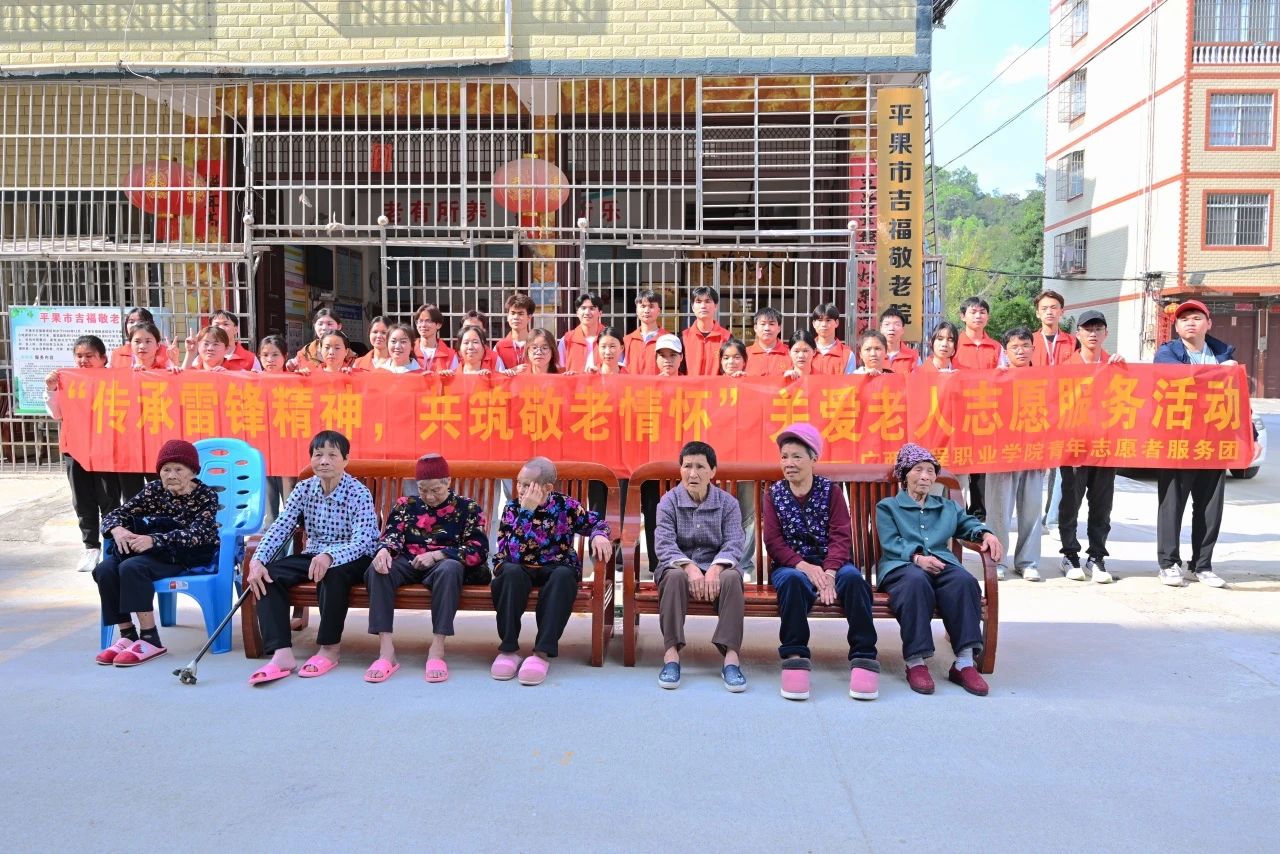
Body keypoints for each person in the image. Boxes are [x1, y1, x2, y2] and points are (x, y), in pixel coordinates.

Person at [245, 430, 379, 685]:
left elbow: (363, 541)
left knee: (332, 573)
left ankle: (329, 649)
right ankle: (281, 654)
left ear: (345, 460)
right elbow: (282, 526)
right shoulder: (304, 489)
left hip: (354, 556)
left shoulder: (358, 493)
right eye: (318, 455)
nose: (324, 461)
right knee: (268, 575)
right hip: (314, 554)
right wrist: (258, 559)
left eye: (332, 455)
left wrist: (330, 555)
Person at [764, 423, 880, 701]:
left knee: (854, 581)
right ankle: (795, 656)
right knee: (792, 583)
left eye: (796, 456)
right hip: (792, 566)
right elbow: (774, 542)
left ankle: (864, 656)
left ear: (813, 458)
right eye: (784, 457)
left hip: (833, 563)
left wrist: (829, 572)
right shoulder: (774, 494)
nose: (788, 463)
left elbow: (841, 535)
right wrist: (805, 567)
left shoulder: (831, 491)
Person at [876, 443, 1003, 697]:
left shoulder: (947, 507)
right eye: (918, 470)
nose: (925, 476)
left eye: (931, 471)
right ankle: (916, 662)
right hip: (902, 566)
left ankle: (964, 663)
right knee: (915, 582)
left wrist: (985, 534)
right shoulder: (888, 507)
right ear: (905, 475)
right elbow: (890, 542)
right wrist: (917, 558)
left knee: (964, 582)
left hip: (942, 564)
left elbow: (968, 524)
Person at [364, 454, 489, 684]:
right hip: (409, 560)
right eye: (422, 490)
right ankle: (386, 652)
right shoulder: (406, 505)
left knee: (450, 569)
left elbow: (479, 549)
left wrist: (437, 555)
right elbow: (391, 535)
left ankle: (437, 650)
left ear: (448, 482)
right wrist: (383, 550)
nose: (429, 496)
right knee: (378, 569)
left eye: (436, 490)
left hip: (443, 562)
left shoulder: (468, 507)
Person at [93, 440, 220, 666]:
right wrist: (117, 529)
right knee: (104, 569)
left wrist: (154, 540)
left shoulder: (205, 495)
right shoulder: (153, 490)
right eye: (166, 469)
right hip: (149, 553)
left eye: (178, 469)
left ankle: (150, 639)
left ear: (193, 472)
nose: (171, 475)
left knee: (132, 567)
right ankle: (127, 635)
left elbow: (198, 533)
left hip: (183, 555)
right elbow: (116, 514)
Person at [489, 456, 612, 686]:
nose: (521, 490)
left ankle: (541, 653)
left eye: (528, 485)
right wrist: (526, 512)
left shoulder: (566, 506)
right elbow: (511, 553)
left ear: (547, 488)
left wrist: (598, 535)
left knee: (564, 576)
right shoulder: (513, 508)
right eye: (519, 483)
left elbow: (597, 522)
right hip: (519, 566)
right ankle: (508, 650)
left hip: (556, 565)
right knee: (510, 574)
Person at [1153, 300, 1238, 589]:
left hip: (1213, 441)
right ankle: (1168, 563)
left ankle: (1201, 565)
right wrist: (1219, 373)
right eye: (1184, 318)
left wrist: (1249, 435)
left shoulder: (1222, 354)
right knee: (1172, 505)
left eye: (1197, 317)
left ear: (1208, 323)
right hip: (1178, 441)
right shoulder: (1167, 353)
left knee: (1210, 507)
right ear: (1177, 327)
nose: (1191, 322)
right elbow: (1177, 378)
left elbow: (1237, 400)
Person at [653, 441, 746, 692]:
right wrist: (689, 567)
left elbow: (735, 542)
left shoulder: (728, 503)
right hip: (678, 566)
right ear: (680, 469)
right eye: (687, 466)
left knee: (732, 579)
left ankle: (731, 658)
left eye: (700, 467)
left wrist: (715, 569)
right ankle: (671, 655)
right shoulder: (668, 502)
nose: (692, 473)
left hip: (717, 565)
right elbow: (664, 543)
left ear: (712, 471)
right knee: (674, 578)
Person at [1057, 310, 1123, 583]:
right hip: (1074, 446)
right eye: (1087, 329)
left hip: (1105, 447)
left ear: (1106, 333)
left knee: (1101, 505)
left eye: (1098, 329)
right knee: (1070, 503)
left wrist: (1123, 370)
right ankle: (1069, 554)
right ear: (1078, 334)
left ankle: (1097, 556)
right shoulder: (1066, 367)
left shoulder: (1115, 365)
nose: (1093, 334)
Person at [45, 335, 121, 572]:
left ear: (103, 358)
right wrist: (51, 390)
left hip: (105, 448)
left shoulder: (116, 380)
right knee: (82, 500)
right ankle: (90, 547)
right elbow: (56, 414)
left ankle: (110, 546)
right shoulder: (68, 381)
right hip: (75, 448)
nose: (83, 360)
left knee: (109, 498)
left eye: (89, 356)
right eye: (79, 356)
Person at [985, 328, 1044, 582]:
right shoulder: (995, 379)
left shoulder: (1045, 379)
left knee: (1031, 510)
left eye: (1025, 345)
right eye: (1014, 347)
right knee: (998, 510)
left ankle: (1028, 562)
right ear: (1005, 351)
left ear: (1033, 348)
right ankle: (997, 559)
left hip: (1033, 452)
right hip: (1002, 453)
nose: (1021, 351)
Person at [258, 334, 306, 631]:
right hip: (263, 459)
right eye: (265, 355)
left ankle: (287, 573)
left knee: (291, 518)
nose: (270, 359)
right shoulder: (251, 382)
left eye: (275, 354)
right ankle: (268, 571)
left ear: (285, 356)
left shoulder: (295, 381)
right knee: (269, 518)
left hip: (289, 458)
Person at [681, 286, 730, 376]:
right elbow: (679, 371)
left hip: (717, 385)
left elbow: (730, 370)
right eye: (698, 302)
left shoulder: (727, 337)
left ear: (715, 306)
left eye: (707, 301)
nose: (703, 306)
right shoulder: (683, 337)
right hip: (690, 385)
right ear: (692, 307)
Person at [622, 289, 668, 375]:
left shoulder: (668, 339)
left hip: (659, 384)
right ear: (637, 310)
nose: (646, 311)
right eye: (643, 306)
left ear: (659, 311)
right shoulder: (627, 340)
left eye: (651, 306)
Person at [952, 296, 1006, 370]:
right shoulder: (953, 345)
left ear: (988, 317)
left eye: (982, 312)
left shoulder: (997, 347)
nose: (978, 316)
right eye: (973, 312)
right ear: (963, 316)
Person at [560, 292, 606, 373]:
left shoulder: (610, 338)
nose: (587, 312)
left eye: (592, 308)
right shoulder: (567, 339)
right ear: (577, 313)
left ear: (600, 313)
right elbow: (560, 369)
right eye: (583, 308)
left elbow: (618, 368)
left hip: (604, 381)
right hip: (575, 381)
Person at [1031, 290, 1076, 367]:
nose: (1049, 312)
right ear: (1037, 313)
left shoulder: (1073, 342)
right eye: (1044, 308)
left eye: (1053, 307)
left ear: (1062, 311)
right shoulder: (1030, 342)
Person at [809, 303, 856, 374]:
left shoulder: (847, 354)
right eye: (820, 320)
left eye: (828, 320)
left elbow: (851, 380)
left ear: (836, 323)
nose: (824, 324)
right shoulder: (805, 351)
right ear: (813, 323)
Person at [495, 293, 535, 372]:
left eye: (520, 314)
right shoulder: (499, 347)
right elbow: (495, 375)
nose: (516, 317)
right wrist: (513, 371)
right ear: (507, 317)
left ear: (529, 317)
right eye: (512, 313)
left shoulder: (537, 344)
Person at [745, 307, 790, 376]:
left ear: (779, 328)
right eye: (763, 324)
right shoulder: (745, 354)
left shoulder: (790, 353)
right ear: (755, 328)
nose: (767, 328)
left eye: (771, 324)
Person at [413, 304, 458, 373]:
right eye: (420, 321)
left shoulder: (450, 355)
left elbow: (456, 378)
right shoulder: (409, 351)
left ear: (439, 325)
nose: (423, 325)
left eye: (428, 321)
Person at [880, 307, 920, 375]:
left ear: (903, 330)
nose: (891, 328)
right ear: (881, 329)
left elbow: (918, 380)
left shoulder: (914, 356)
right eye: (887, 324)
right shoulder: (874, 355)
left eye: (897, 324)